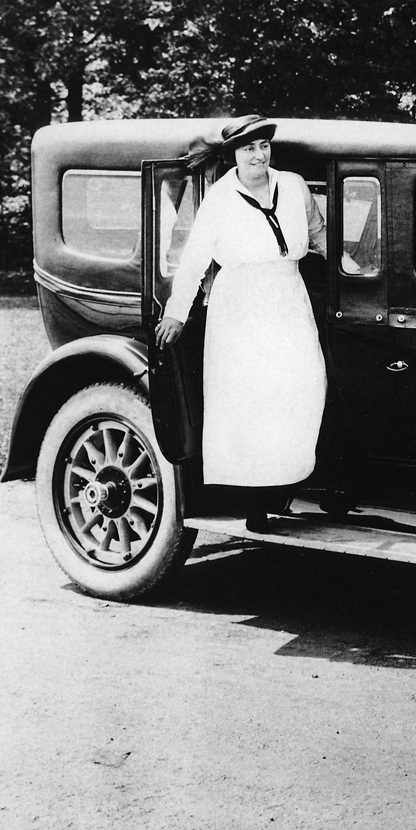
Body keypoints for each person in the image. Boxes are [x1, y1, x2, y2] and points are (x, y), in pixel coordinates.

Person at [155, 115, 327, 530]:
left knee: (299, 388)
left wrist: (352, 269)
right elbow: (196, 256)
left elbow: (319, 234)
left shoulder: (294, 185)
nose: (258, 155)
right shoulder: (220, 197)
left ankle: (284, 485)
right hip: (241, 306)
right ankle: (255, 505)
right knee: (249, 401)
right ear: (234, 154)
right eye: (248, 148)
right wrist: (178, 310)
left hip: (287, 296)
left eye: (264, 146)